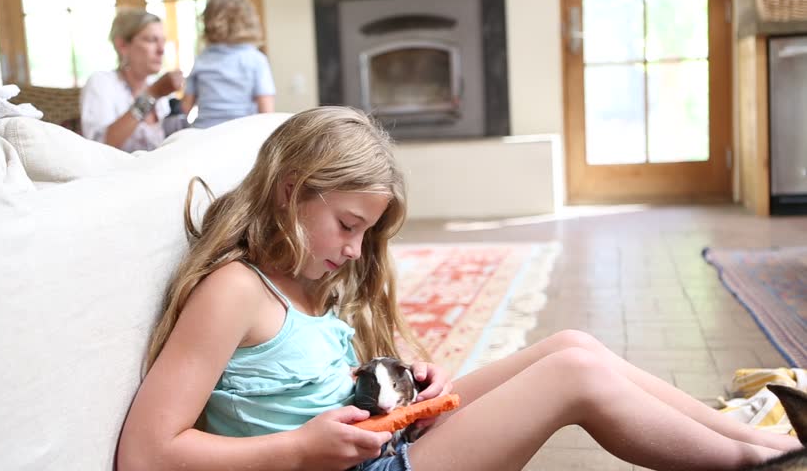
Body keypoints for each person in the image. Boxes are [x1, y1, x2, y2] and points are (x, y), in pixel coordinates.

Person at [116, 106, 801, 471]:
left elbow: (283, 388)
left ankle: (766, 443)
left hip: (381, 447)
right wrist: (298, 450)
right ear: (292, 191)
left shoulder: (300, 281)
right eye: (348, 225)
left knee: (573, 344)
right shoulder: (233, 290)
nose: (355, 250)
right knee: (571, 378)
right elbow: (145, 456)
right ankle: (755, 462)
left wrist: (398, 388)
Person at [80, 8, 184, 152]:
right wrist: (151, 95)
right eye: (152, 40)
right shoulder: (102, 83)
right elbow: (99, 147)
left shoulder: (161, 86)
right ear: (122, 45)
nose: (161, 50)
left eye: (163, 41)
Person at [180, 0, 275, 129]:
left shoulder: (202, 59)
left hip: (204, 133)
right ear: (249, 21)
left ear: (207, 22)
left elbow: (185, 108)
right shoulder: (256, 60)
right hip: (241, 132)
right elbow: (266, 112)